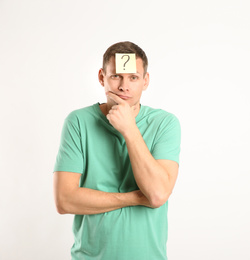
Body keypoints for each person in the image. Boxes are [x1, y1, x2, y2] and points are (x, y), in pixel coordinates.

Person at [53, 41, 181, 260]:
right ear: (102, 77)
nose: (124, 86)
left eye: (133, 77)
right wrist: (135, 198)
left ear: (145, 81)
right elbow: (65, 200)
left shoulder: (165, 123)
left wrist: (129, 129)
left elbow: (158, 193)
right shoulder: (78, 122)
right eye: (116, 76)